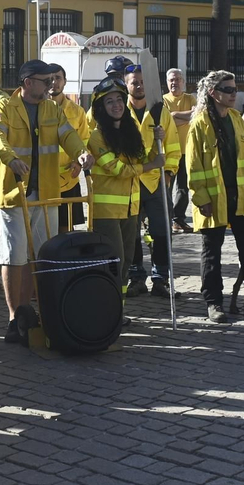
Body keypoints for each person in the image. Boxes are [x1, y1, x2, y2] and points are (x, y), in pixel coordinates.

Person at [0, 60, 91, 342]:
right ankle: (14, 318)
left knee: (42, 255)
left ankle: (34, 312)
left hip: (47, 193)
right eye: (46, 81)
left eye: (53, 80)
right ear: (27, 83)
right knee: (14, 256)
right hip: (15, 194)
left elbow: (68, 135)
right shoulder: (4, 107)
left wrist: (81, 153)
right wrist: (10, 159)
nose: (51, 85)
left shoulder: (52, 109)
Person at [186, 71, 244, 323]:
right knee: (212, 253)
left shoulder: (237, 119)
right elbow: (193, 166)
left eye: (235, 89)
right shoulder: (200, 124)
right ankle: (214, 303)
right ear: (213, 93)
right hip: (213, 200)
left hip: (241, 197)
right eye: (228, 90)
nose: (234, 94)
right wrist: (201, 198)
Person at [86, 78, 164, 311]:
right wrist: (151, 165)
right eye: (109, 101)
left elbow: (145, 160)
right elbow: (119, 170)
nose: (116, 105)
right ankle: (105, 310)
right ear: (100, 108)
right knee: (113, 261)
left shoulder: (131, 132)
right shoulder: (96, 136)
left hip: (131, 208)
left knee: (126, 261)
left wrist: (157, 141)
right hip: (106, 212)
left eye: (119, 100)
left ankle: (117, 311)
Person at [124, 66, 177, 296]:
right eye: (134, 82)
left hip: (156, 182)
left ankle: (160, 278)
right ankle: (136, 277)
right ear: (126, 85)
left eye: (143, 82)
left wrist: (168, 173)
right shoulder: (119, 109)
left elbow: (173, 147)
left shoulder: (160, 111)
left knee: (162, 232)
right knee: (131, 233)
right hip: (130, 181)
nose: (139, 86)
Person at [49, 65, 89, 234]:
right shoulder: (39, 109)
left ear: (65, 81)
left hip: (68, 180)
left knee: (66, 229)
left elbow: (84, 139)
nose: (54, 82)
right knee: (44, 227)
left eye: (58, 78)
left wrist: (78, 162)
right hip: (44, 180)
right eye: (50, 78)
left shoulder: (77, 111)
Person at [160, 69, 195, 231]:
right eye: (171, 80)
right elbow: (164, 122)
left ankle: (178, 219)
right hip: (169, 152)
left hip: (187, 151)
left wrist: (174, 115)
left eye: (178, 79)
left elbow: (197, 115)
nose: (174, 83)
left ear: (183, 81)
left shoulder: (190, 98)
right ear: (167, 83)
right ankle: (165, 218)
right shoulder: (163, 100)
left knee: (183, 188)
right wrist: (184, 118)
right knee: (166, 187)